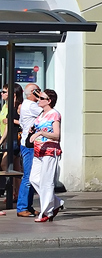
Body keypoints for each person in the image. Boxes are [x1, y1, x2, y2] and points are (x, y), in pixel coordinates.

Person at [29, 89, 64, 222]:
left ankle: (46, 212)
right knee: (34, 179)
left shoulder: (54, 114)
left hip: (50, 150)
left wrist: (41, 133)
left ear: (49, 101)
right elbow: (38, 128)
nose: (38, 100)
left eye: (42, 98)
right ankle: (55, 202)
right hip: (38, 150)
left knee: (46, 182)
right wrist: (33, 130)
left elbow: (56, 135)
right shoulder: (41, 114)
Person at [16, 83, 42, 217]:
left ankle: (28, 206)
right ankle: (22, 207)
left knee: (31, 176)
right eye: (38, 91)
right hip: (29, 145)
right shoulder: (32, 106)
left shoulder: (26, 105)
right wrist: (43, 98)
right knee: (28, 176)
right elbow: (48, 113)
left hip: (28, 144)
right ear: (33, 92)